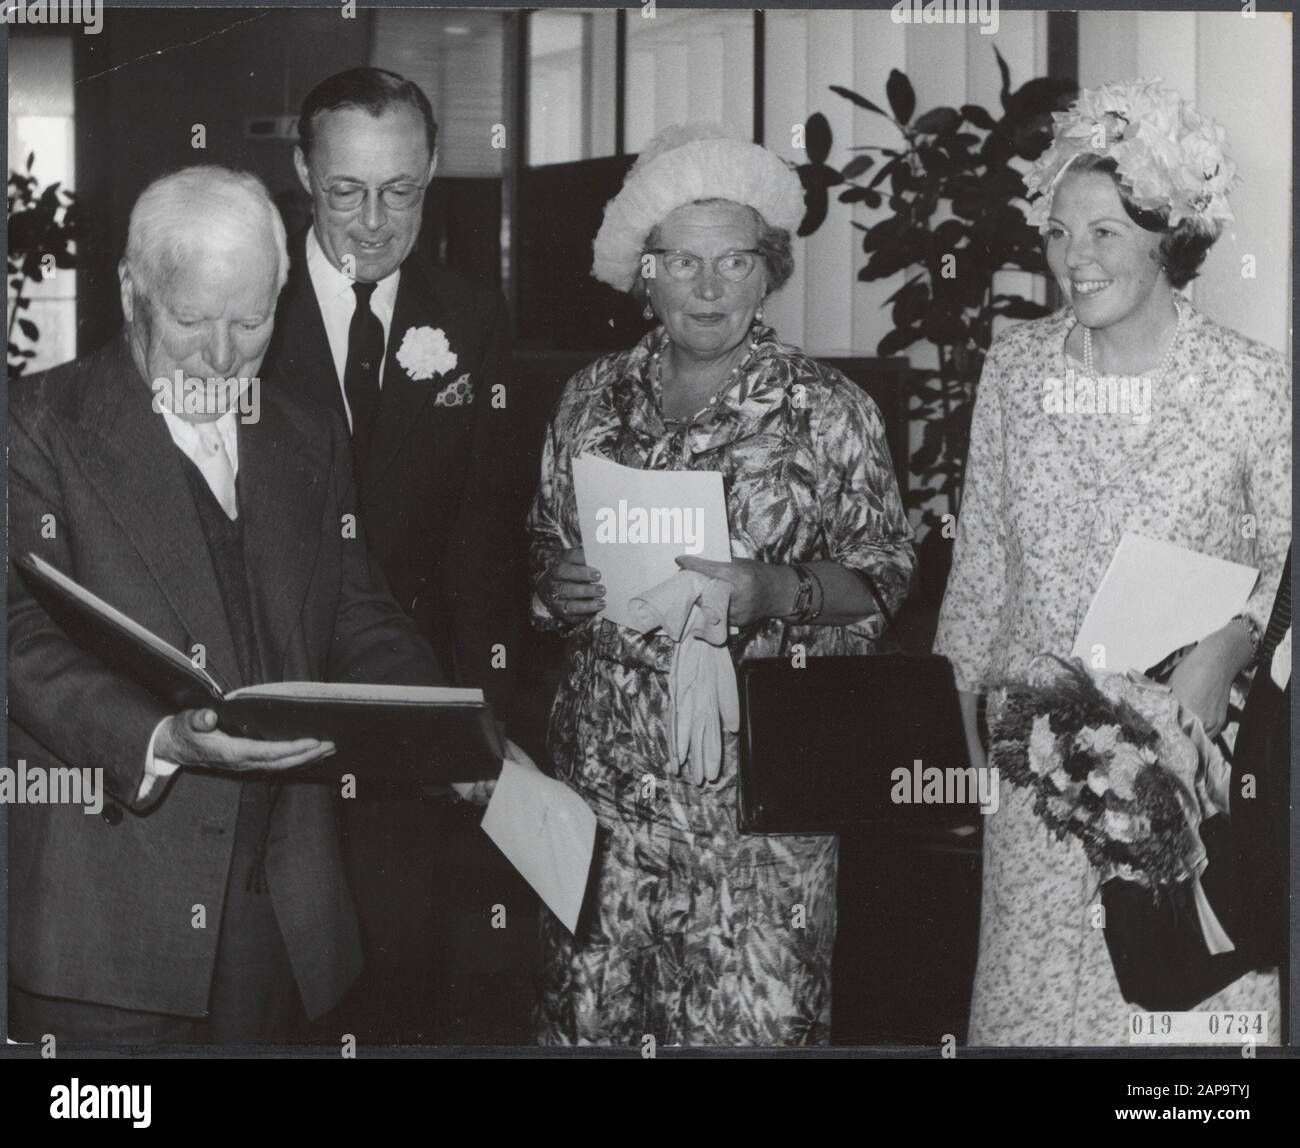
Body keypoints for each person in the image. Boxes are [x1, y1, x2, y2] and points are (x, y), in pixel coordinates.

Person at [6, 166, 488, 1044]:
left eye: (252, 321)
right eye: (191, 321)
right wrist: (154, 736)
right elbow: (15, 632)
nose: (224, 358)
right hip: (105, 921)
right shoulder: (36, 423)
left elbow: (354, 611)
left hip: (281, 921)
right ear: (131, 293)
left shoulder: (305, 432)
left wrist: (442, 728)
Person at [528, 124, 915, 1046]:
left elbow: (887, 579)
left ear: (769, 269)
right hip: (602, 807)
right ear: (644, 271)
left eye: (735, 261)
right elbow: (544, 550)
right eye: (683, 262)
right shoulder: (588, 399)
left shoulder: (827, 410)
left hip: (761, 822)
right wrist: (558, 587)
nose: (709, 288)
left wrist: (776, 591)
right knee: (588, 1033)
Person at [933, 80, 1290, 1046]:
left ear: (1168, 234)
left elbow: (1291, 565)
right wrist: (965, 755)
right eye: (1058, 234)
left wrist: (1233, 641)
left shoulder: (1252, 385)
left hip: (1187, 784)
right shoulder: (1014, 371)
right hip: (1038, 784)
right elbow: (978, 580)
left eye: (1104, 234)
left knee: (1176, 1054)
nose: (1072, 261)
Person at [261, 66, 525, 1042]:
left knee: (402, 978)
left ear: (432, 172)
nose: (373, 222)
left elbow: (482, 539)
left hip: (410, 714)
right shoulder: (245, 309)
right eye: (345, 191)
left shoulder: (471, 316)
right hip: (271, 712)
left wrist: (479, 709)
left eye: (401, 190)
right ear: (301, 171)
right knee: (274, 990)